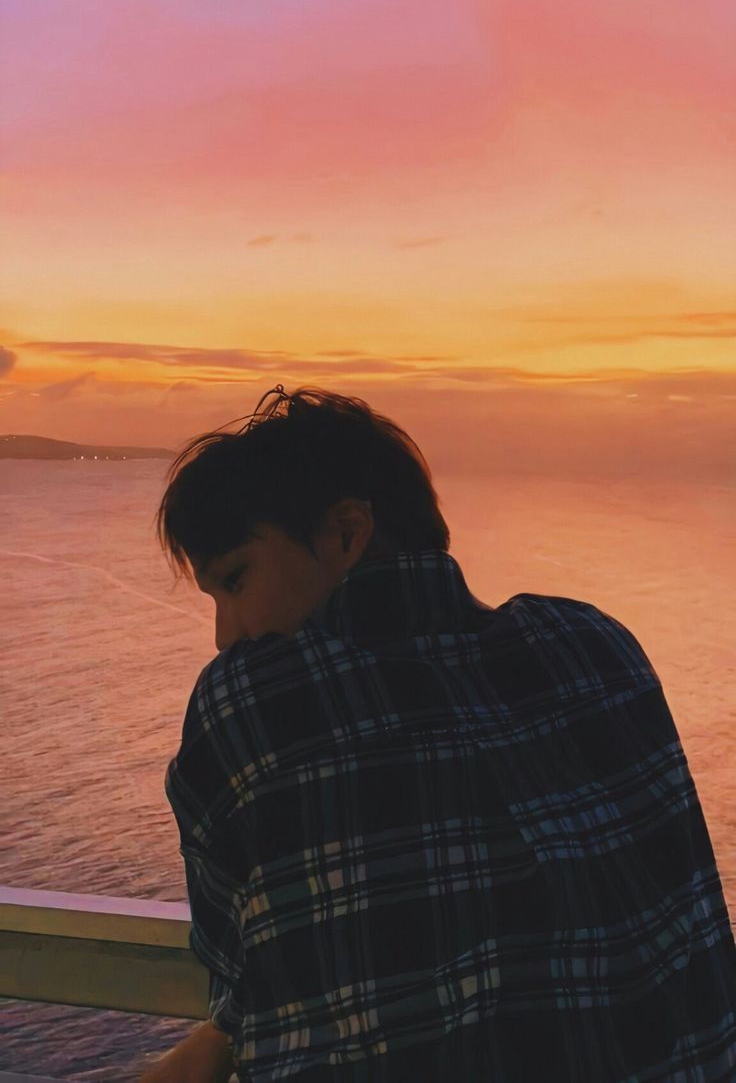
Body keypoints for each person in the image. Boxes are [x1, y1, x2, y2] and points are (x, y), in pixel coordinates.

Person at [141, 384, 736, 1082]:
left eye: (236, 580)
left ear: (345, 533)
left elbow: (236, 958)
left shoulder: (256, 701)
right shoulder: (599, 648)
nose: (225, 635)